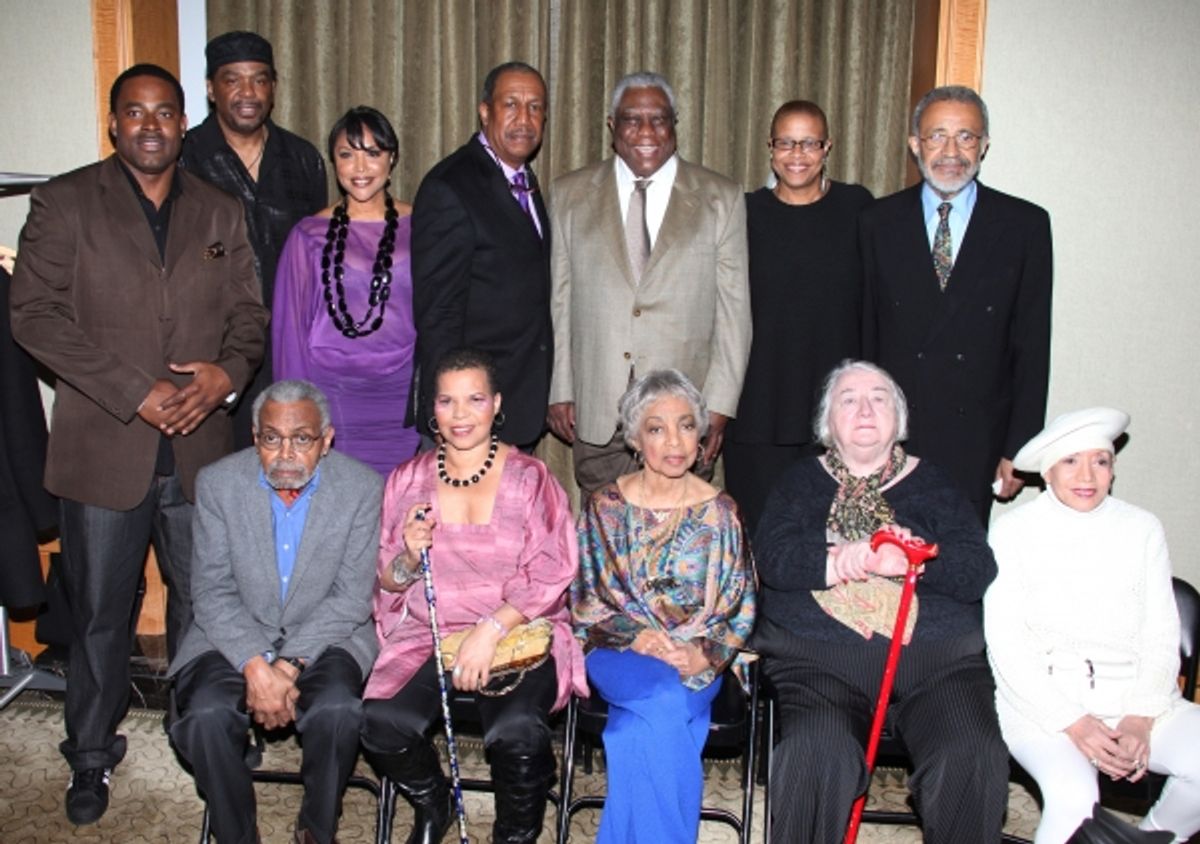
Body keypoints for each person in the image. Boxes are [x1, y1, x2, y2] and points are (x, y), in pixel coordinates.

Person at [9, 63, 267, 825]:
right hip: (103, 451)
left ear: (183, 123)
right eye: (135, 113)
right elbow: (35, 315)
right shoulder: (63, 202)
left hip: (200, 453)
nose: (150, 126)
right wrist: (136, 390)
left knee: (206, 609)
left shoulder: (219, 209)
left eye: (164, 113)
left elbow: (250, 317)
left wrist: (224, 374)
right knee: (96, 615)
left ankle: (206, 736)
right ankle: (90, 756)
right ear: (114, 123)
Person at [753, 359, 1008, 842]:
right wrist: (843, 559)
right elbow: (773, 557)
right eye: (848, 400)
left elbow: (977, 568)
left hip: (937, 664)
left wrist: (915, 560)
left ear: (900, 419)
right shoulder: (797, 483)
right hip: (821, 664)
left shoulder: (936, 483)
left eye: (879, 398)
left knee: (971, 752)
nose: (865, 409)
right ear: (827, 423)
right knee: (813, 754)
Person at [361, 348, 585, 844]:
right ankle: (435, 802)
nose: (460, 415)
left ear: (496, 405)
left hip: (514, 631)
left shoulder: (531, 478)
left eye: (474, 399)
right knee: (381, 721)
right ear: (432, 409)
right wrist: (406, 559)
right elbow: (388, 578)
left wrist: (489, 629)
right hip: (431, 632)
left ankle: (514, 835)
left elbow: (553, 569)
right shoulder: (406, 481)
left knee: (517, 734)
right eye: (447, 402)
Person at [169, 380, 381, 844]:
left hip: (327, 633)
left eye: (301, 438)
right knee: (204, 717)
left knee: (338, 711)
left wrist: (285, 666)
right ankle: (236, 833)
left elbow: (350, 597)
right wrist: (254, 664)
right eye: (271, 438)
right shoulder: (218, 483)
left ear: (325, 440)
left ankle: (315, 827)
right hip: (233, 631)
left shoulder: (362, 488)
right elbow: (211, 591)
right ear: (254, 436)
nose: (285, 453)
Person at [985, 408, 1200, 843]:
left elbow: (1161, 632)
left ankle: (1153, 838)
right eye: (1070, 461)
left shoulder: (1142, 528)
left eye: (1099, 461)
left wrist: (1140, 718)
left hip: (1137, 701)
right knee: (1075, 800)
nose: (1087, 475)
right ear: (1046, 471)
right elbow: (1007, 645)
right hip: (1043, 708)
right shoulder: (1014, 532)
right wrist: (1075, 723)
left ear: (1113, 468)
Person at [571, 369, 756, 844]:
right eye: (656, 428)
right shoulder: (603, 507)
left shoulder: (722, 512)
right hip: (618, 652)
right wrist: (637, 637)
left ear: (701, 435)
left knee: (637, 732)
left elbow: (740, 603)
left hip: (694, 657)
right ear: (635, 438)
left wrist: (707, 654)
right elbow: (586, 599)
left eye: (686, 425)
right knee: (664, 700)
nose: (674, 441)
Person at [547, 71, 751, 495]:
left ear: (674, 124)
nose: (645, 131)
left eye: (658, 119)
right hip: (598, 412)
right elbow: (560, 302)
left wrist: (719, 405)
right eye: (631, 119)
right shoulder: (569, 194)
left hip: (683, 418)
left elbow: (735, 314)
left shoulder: (721, 198)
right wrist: (561, 389)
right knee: (606, 542)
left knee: (681, 545)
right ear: (611, 125)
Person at [860, 84, 1053, 524]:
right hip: (894, 433)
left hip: (977, 437)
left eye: (966, 137)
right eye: (936, 136)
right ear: (915, 144)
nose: (951, 151)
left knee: (959, 569)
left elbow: (1032, 345)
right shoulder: (877, 222)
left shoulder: (1024, 226)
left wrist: (1019, 449)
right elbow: (864, 336)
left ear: (984, 146)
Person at [724, 100, 873, 533]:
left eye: (809, 143)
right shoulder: (744, 213)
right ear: (770, 148)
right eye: (786, 143)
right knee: (760, 535)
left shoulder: (858, 208)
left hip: (833, 410)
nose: (797, 154)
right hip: (757, 409)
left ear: (828, 147)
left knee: (829, 539)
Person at [181, 30, 328, 449]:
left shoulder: (303, 159)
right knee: (220, 479)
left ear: (274, 88)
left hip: (290, 346)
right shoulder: (186, 159)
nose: (248, 92)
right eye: (233, 79)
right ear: (211, 89)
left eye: (259, 79)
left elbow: (317, 260)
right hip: (214, 351)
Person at [410, 62, 552, 452]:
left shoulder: (524, 182)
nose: (524, 119)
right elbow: (438, 313)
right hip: (469, 416)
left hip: (515, 402)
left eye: (535, 107)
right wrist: (447, 409)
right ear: (485, 111)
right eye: (511, 105)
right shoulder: (451, 186)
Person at [273, 106, 418, 475]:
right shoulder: (308, 236)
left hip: (404, 399)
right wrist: (295, 417)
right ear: (333, 161)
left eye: (373, 153)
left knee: (401, 517)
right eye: (346, 154)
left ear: (393, 158)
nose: (360, 167)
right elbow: (289, 334)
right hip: (332, 398)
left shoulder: (422, 226)